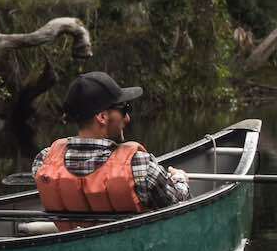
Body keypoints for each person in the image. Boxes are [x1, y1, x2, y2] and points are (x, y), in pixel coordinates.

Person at [31, 71, 189, 213]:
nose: (127, 118)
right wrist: (180, 179)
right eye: (124, 109)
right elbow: (177, 209)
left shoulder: (44, 160)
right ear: (102, 117)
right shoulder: (141, 165)